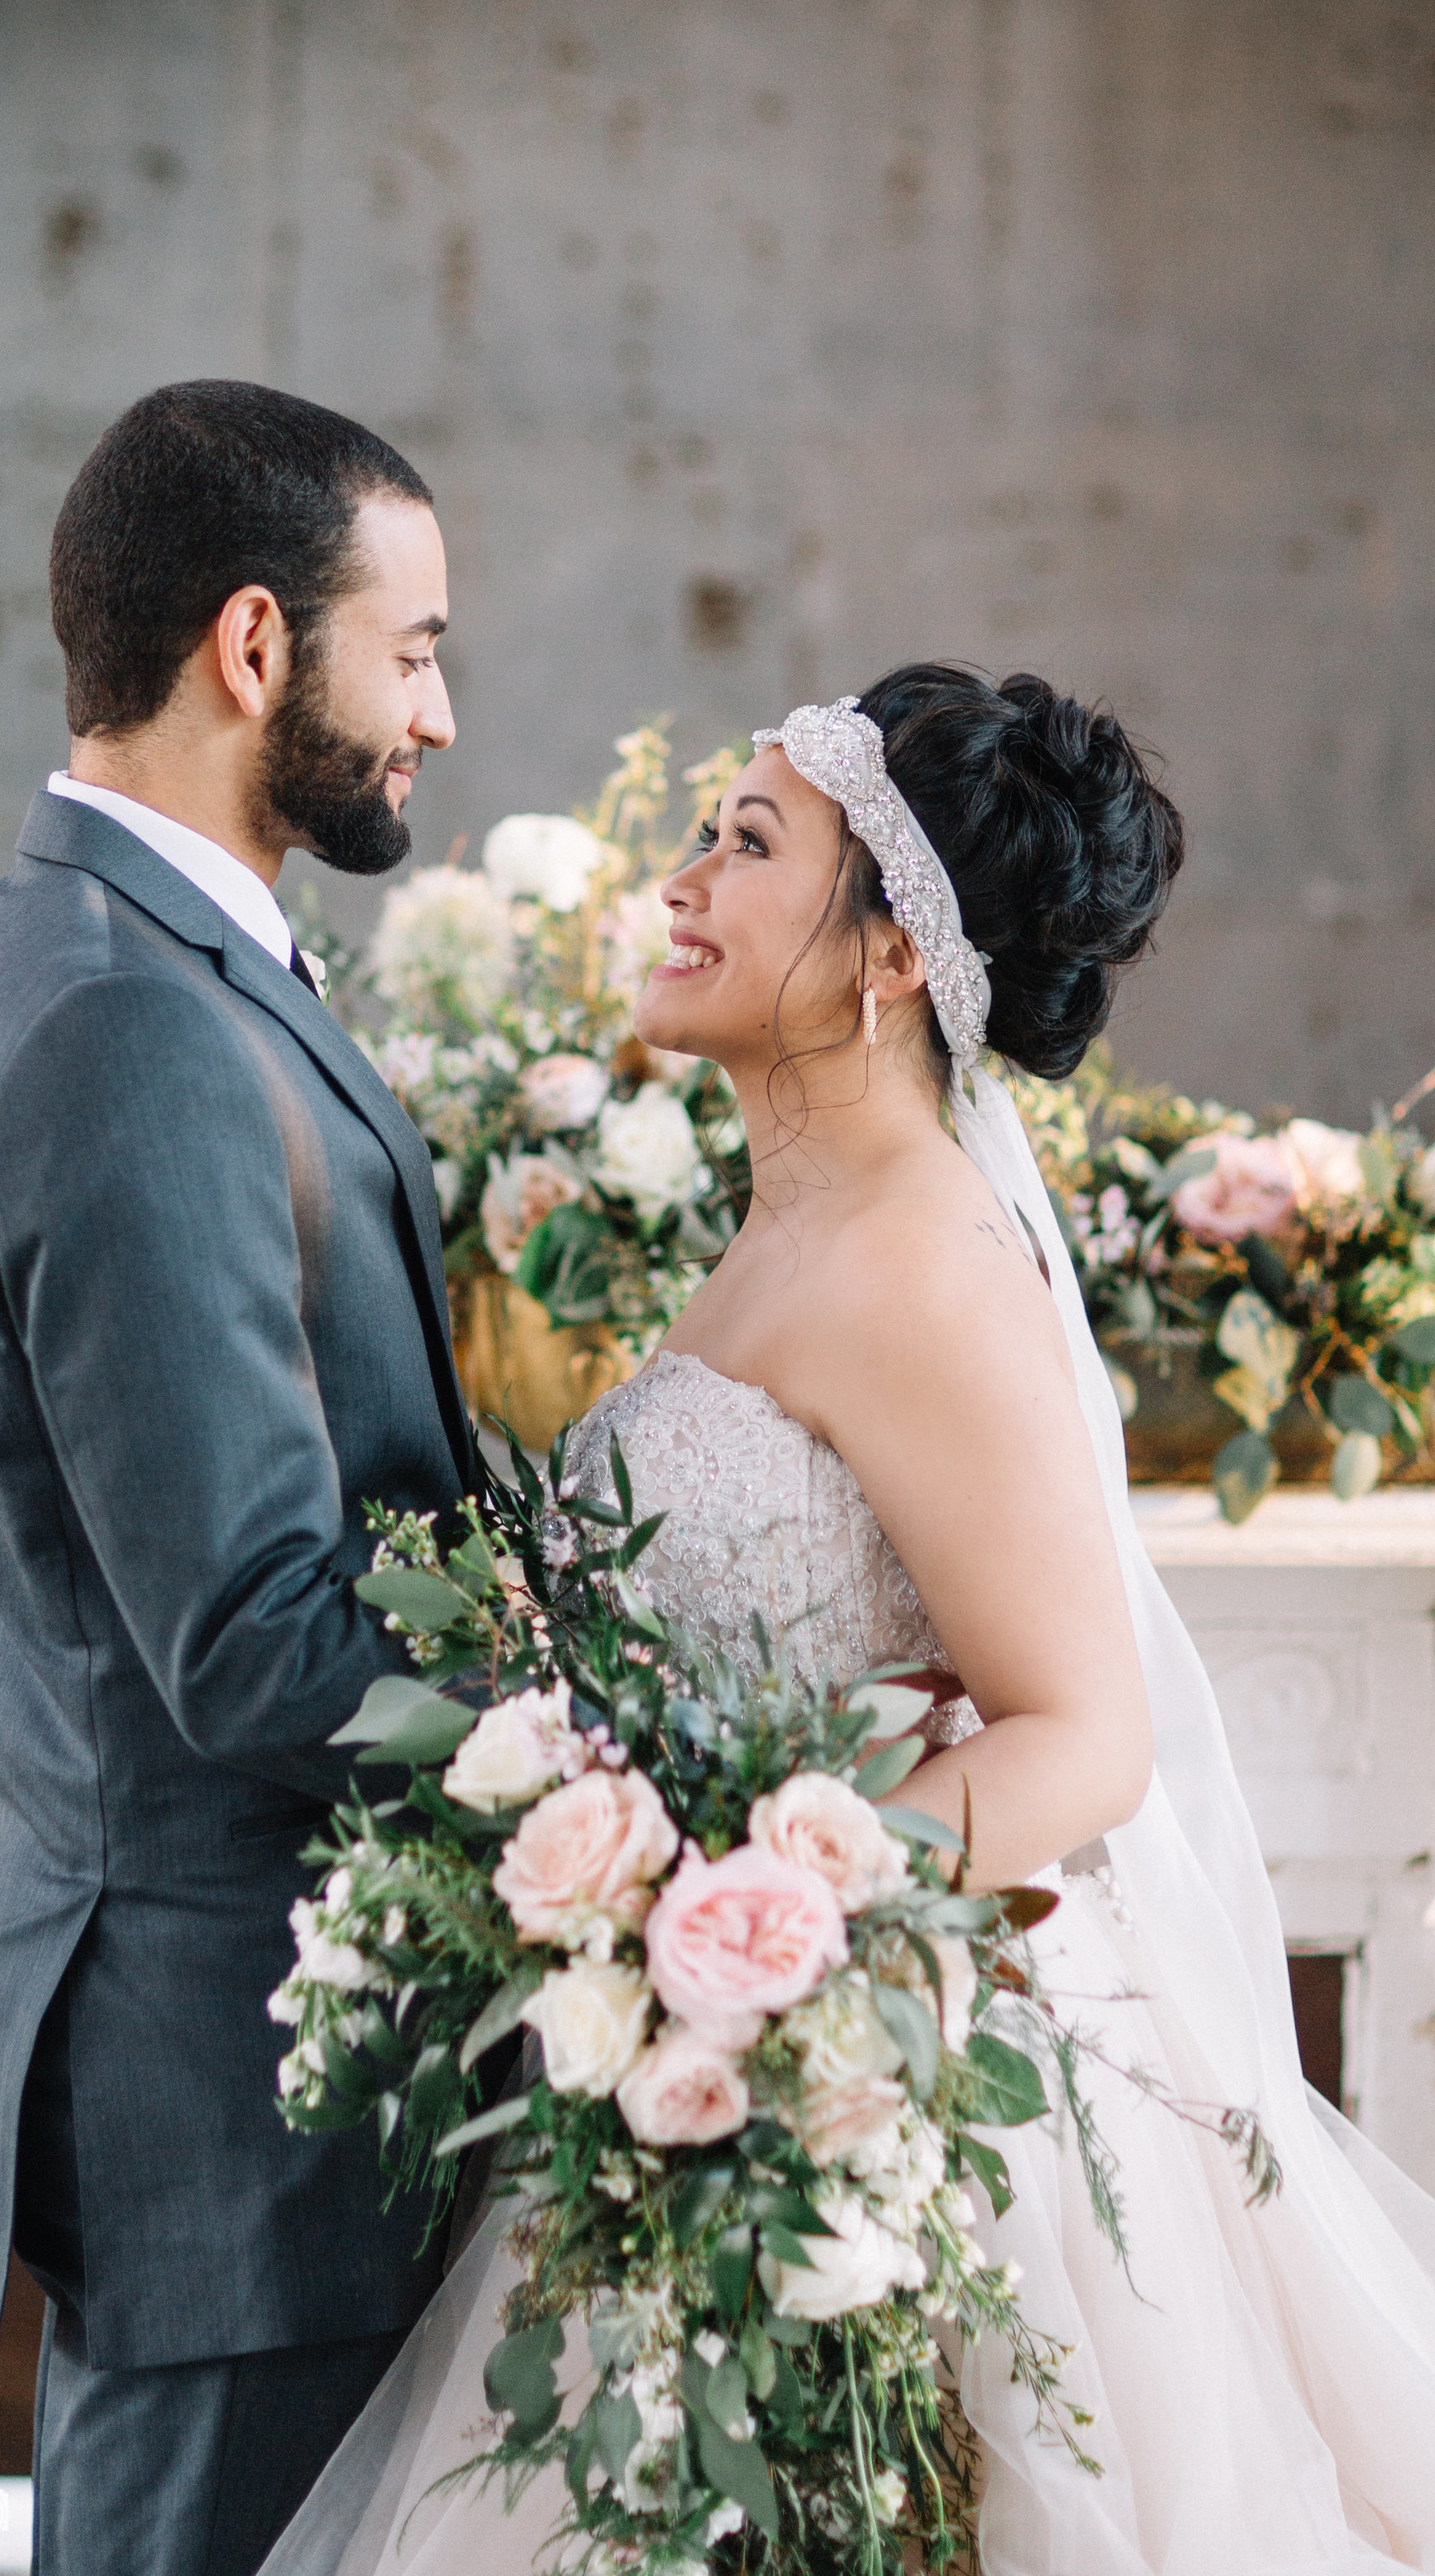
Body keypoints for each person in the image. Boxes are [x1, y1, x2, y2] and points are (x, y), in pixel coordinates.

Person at [267, 672, 1435, 2575]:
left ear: (894, 948)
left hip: (895, 2097)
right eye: (702, 833)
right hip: (723, 2057)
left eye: (744, 845)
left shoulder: (917, 1260)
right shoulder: (790, 1224)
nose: (679, 880)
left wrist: (762, 1927)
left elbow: (1082, 1733)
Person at [0, 381, 474, 2576]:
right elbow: (251, 1643)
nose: (434, 712)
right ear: (257, 648)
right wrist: (602, 1701)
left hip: (231, 2065)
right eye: (409, 648)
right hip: (231, 2094)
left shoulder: (115, 950)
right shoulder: (131, 1020)